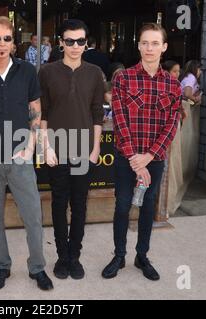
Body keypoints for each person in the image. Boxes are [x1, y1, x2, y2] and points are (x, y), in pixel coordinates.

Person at [0, 16, 53, 291]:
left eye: (7, 38)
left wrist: (29, 148)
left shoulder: (27, 71)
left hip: (20, 158)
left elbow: (35, 112)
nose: (2, 44)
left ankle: (37, 268)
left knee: (33, 216)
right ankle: (1, 266)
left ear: (13, 43)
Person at [101, 23, 181, 281]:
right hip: (127, 158)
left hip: (154, 159)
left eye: (155, 43)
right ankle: (119, 255)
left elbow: (171, 126)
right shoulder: (123, 78)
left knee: (148, 206)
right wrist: (136, 160)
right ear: (138, 45)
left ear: (164, 47)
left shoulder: (172, 84)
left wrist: (148, 157)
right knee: (123, 205)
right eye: (145, 43)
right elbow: (120, 121)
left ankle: (142, 256)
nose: (150, 48)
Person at [39, 19, 104, 280]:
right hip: (57, 148)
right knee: (58, 204)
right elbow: (42, 113)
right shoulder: (47, 72)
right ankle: (61, 256)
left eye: (80, 41)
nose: (75, 46)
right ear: (61, 43)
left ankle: (74, 256)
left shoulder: (95, 73)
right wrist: (46, 147)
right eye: (69, 41)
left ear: (86, 43)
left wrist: (95, 148)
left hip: (84, 149)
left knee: (79, 205)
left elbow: (97, 113)